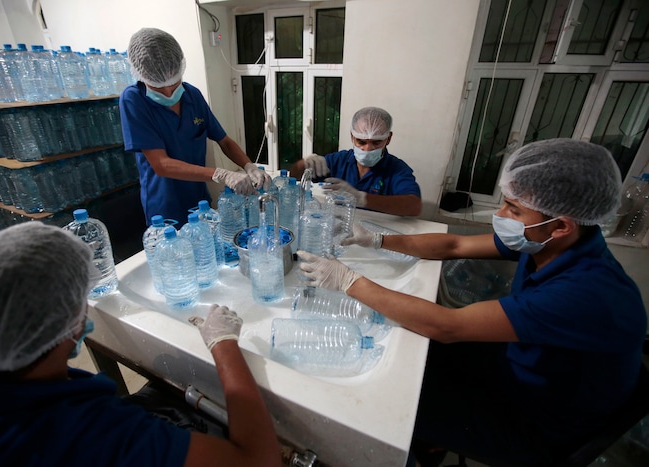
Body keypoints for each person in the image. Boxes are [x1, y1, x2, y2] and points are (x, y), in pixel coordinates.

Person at [296, 139, 647, 466]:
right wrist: (375, 239)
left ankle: (421, 447)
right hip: (526, 369)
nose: (501, 214)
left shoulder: (584, 293)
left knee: (389, 405)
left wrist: (347, 280)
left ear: (561, 226)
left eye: (513, 208)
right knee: (415, 354)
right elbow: (454, 247)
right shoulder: (549, 241)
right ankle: (431, 438)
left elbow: (448, 327)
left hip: (536, 423)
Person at [0, 222, 281, 467]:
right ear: (61, 323)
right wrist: (224, 344)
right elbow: (261, 461)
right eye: (79, 298)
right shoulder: (92, 436)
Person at [120, 27, 272, 224]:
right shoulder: (133, 100)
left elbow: (223, 141)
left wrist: (248, 165)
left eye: (174, 84)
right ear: (142, 76)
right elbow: (161, 164)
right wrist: (221, 174)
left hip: (199, 198)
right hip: (165, 206)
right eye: (158, 86)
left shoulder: (192, 95)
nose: (167, 92)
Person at [289, 106, 421, 216]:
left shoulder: (397, 169)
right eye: (361, 142)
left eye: (376, 142)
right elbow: (294, 177)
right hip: (340, 225)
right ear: (352, 137)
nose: (367, 149)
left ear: (388, 138)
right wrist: (304, 163)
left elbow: (414, 207)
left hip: (375, 232)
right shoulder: (339, 160)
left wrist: (362, 199)